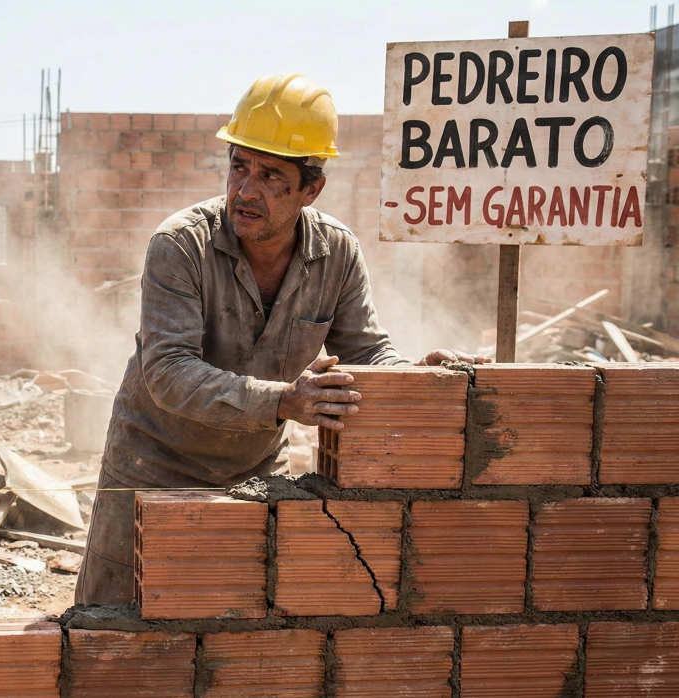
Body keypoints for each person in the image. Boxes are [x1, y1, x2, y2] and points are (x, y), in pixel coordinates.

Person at [74, 73, 488, 607]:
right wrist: (283, 401)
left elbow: (366, 353)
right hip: (152, 464)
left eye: (270, 175)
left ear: (311, 188)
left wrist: (419, 375)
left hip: (252, 470)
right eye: (239, 166)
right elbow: (167, 372)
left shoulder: (336, 254)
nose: (245, 191)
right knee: (113, 625)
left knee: (236, 621)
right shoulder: (180, 245)